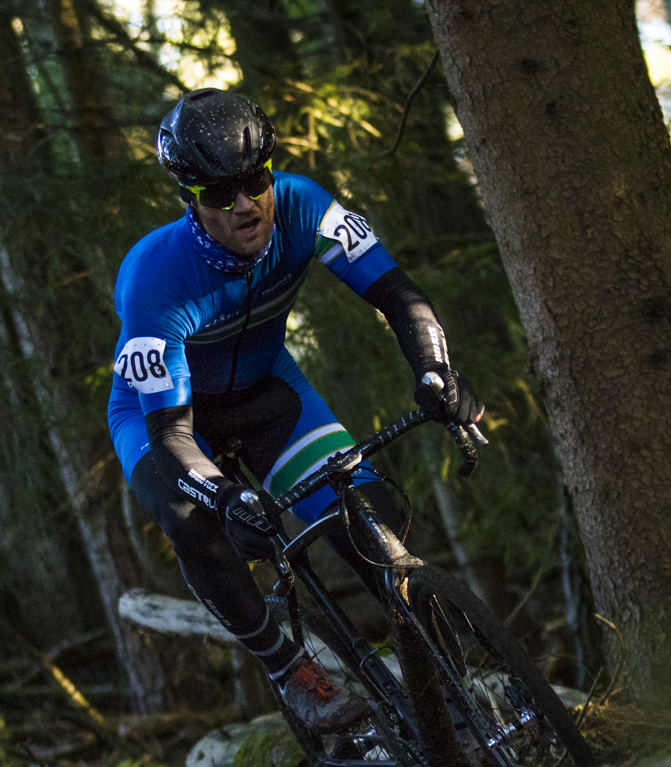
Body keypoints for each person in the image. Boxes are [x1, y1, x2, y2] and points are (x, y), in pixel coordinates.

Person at [108, 89, 484, 732]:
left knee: (368, 516)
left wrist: (435, 369)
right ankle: (289, 669)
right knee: (193, 522)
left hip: (266, 391)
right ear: (191, 199)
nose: (246, 204)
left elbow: (397, 293)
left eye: (256, 180)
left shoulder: (305, 204)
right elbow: (170, 436)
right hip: (168, 420)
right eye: (220, 193)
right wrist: (227, 497)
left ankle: (442, 679)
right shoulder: (155, 277)